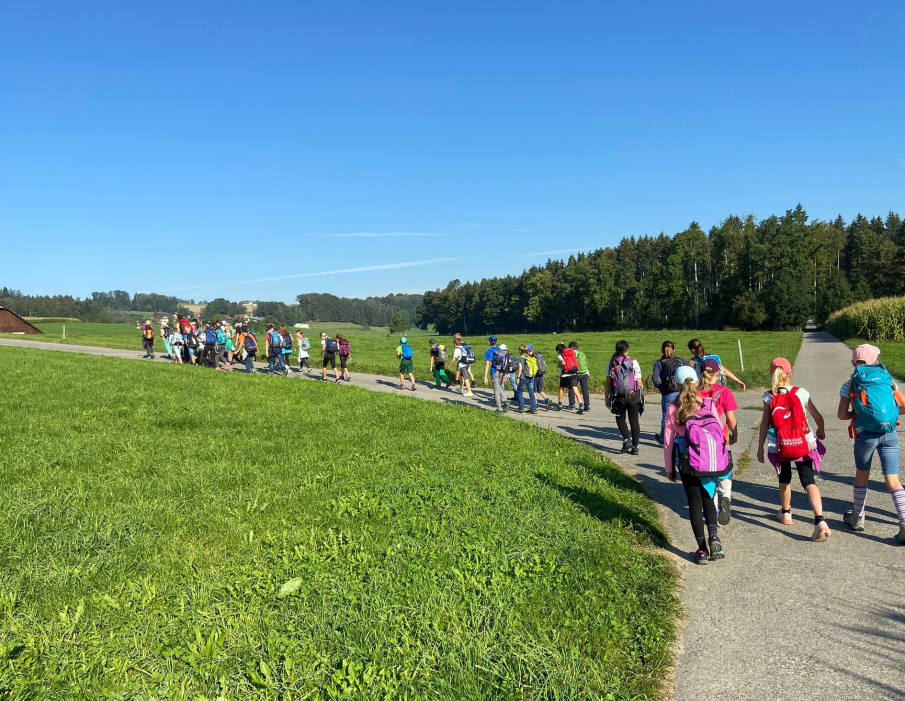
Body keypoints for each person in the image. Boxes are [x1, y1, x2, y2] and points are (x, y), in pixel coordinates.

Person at [756, 357, 830, 541]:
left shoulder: (769, 396)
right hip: (802, 443)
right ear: (790, 373)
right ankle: (820, 520)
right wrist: (820, 430)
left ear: (771, 374)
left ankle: (786, 513)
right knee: (808, 479)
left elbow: (765, 423)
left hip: (780, 445)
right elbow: (818, 417)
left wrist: (760, 447)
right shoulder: (801, 392)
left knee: (784, 477)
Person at [836, 344, 905, 543]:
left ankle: (857, 518)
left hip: (865, 436)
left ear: (854, 363)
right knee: (893, 479)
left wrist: (859, 415)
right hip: (889, 433)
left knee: (862, 475)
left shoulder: (850, 385)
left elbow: (841, 415)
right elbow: (902, 408)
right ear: (876, 361)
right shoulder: (888, 381)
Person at [663, 366, 728, 564]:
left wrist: (669, 469)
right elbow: (720, 433)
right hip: (710, 460)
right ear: (698, 382)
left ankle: (701, 550)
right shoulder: (708, 403)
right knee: (708, 497)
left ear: (676, 384)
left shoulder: (674, 407)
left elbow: (668, 441)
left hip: (687, 460)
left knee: (694, 503)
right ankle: (714, 537)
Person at [697, 358, 739, 525]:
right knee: (725, 470)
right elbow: (730, 418)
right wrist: (734, 433)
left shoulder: (693, 392)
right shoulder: (724, 392)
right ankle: (726, 497)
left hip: (700, 442)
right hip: (721, 439)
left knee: (707, 475)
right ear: (718, 373)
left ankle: (712, 508)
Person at [605, 340, 644, 454]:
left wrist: (606, 397)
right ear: (627, 350)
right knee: (634, 421)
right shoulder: (634, 362)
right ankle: (635, 447)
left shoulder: (611, 362)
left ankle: (627, 440)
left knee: (620, 418)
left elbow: (608, 382)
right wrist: (640, 395)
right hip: (633, 395)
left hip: (618, 396)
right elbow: (639, 381)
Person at [652, 341, 688, 444]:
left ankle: (664, 438)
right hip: (682, 391)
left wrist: (661, 388)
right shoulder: (680, 361)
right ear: (674, 350)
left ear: (662, 350)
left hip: (668, 393)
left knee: (666, 416)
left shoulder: (659, 363)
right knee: (683, 414)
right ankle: (684, 435)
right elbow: (691, 371)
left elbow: (655, 379)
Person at [483, 335, 508, 413]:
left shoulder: (488, 351)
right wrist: (505, 374)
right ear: (496, 342)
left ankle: (499, 408)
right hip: (501, 371)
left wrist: (485, 376)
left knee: (496, 390)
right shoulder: (500, 350)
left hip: (494, 371)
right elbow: (505, 362)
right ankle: (506, 401)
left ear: (489, 342)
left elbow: (487, 365)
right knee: (499, 387)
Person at [568, 341, 591, 415]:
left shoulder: (572, 354)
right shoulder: (582, 353)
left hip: (576, 374)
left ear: (571, 347)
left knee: (572, 387)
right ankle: (587, 405)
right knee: (585, 389)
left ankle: (572, 404)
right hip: (585, 373)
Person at [554, 343, 579, 411]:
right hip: (573, 373)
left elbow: (563, 363)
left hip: (565, 373)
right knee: (575, 389)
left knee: (561, 389)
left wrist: (558, 365)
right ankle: (581, 405)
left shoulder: (560, 355)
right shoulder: (570, 353)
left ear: (558, 351)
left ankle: (560, 404)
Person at [516, 344, 539, 414]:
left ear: (520, 351)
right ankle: (533, 408)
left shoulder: (520, 358)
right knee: (531, 392)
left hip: (523, 377)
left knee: (520, 391)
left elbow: (520, 368)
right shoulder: (530, 357)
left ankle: (521, 407)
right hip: (531, 377)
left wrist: (518, 377)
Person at [531, 344, 551, 410]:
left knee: (533, 391)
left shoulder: (532, 357)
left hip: (535, 375)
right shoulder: (540, 356)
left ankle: (536, 404)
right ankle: (546, 399)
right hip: (541, 374)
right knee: (540, 390)